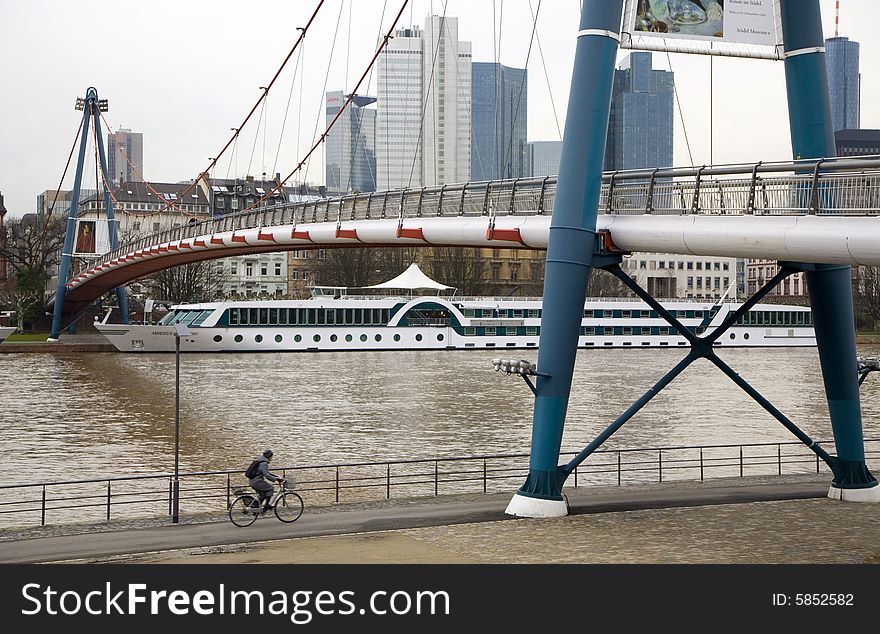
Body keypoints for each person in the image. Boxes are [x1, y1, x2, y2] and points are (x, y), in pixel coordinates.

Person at [247, 449, 285, 513]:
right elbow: (267, 475)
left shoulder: (259, 460)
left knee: (263, 494)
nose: (272, 458)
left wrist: (276, 476)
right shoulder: (264, 463)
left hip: (252, 481)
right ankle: (267, 506)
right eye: (271, 457)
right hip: (257, 482)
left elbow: (266, 473)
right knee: (271, 488)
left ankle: (257, 508)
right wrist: (276, 479)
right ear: (269, 456)